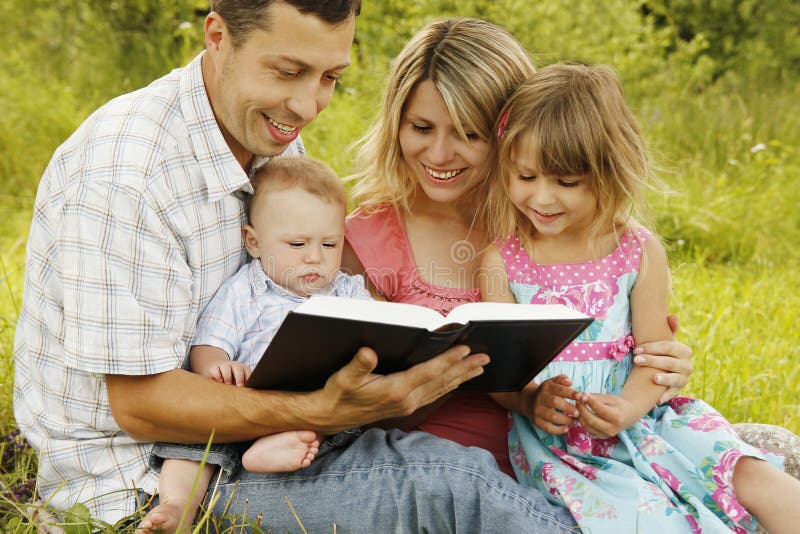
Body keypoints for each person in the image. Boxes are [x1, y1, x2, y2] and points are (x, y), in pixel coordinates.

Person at [344, 13, 693, 507]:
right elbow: (352, 402)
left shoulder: (551, 226)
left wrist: (659, 366)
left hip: (579, 460)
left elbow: (633, 339)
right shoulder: (365, 237)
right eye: (421, 127)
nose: (440, 153)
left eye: (469, 134)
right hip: (436, 471)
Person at [480, 63, 800, 533]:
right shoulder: (503, 261)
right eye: (525, 177)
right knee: (647, 515)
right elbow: (501, 374)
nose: (541, 197)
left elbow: (655, 356)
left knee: (752, 475)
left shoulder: (636, 250)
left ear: (608, 171)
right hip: (565, 445)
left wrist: (628, 408)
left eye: (565, 182)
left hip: (648, 418)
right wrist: (531, 401)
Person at [138, 156, 372, 533]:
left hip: (315, 409)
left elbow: (376, 332)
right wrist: (217, 367)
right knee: (196, 440)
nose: (315, 256)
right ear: (254, 241)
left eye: (330, 243)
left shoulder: (346, 289)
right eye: (297, 244)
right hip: (246, 405)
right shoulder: (246, 290)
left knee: (344, 427)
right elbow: (209, 345)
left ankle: (273, 450)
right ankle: (178, 505)